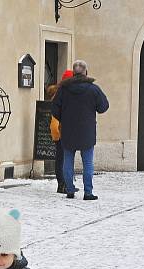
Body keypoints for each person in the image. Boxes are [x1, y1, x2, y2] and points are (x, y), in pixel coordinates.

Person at [51, 60, 109, 200]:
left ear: (73, 73)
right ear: (85, 72)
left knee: (68, 161)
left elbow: (54, 109)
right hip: (87, 131)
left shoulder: (63, 90)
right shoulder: (93, 89)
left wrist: (64, 117)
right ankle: (88, 192)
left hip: (68, 130)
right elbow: (103, 107)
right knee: (88, 163)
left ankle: (69, 190)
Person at [46, 70, 75, 195]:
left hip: (64, 131)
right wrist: (58, 133)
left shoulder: (63, 94)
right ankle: (62, 185)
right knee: (62, 159)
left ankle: (66, 184)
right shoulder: (60, 96)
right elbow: (55, 118)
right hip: (61, 131)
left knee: (63, 159)